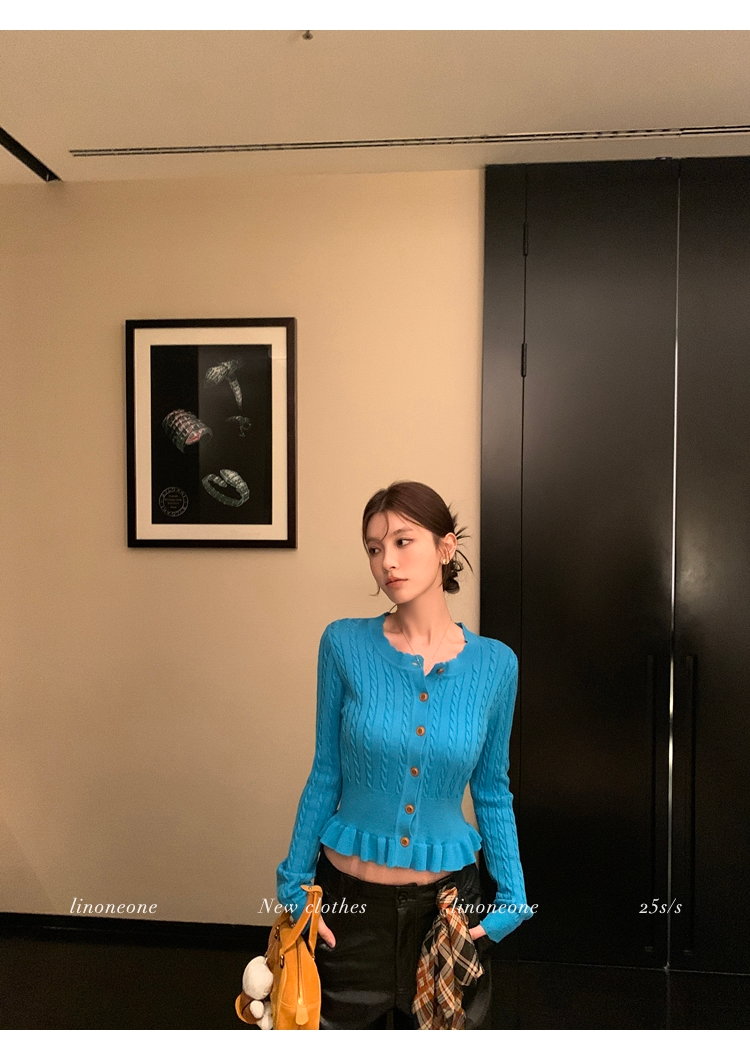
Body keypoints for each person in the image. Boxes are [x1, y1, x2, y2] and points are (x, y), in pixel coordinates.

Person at [276, 481, 533, 1029]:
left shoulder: (496, 665)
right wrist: (293, 884)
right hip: (347, 915)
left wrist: (512, 896)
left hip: (448, 914)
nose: (386, 562)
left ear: (445, 546)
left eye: (402, 541)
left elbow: (492, 789)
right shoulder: (343, 644)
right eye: (374, 548)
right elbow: (326, 773)